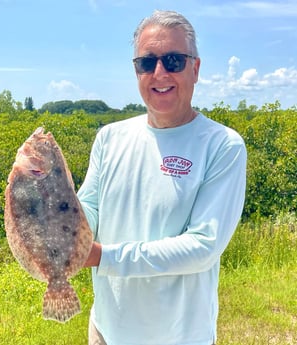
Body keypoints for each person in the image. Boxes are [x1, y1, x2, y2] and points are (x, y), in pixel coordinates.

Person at [78, 9, 247, 345]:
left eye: (173, 60)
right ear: (136, 70)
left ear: (195, 69)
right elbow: (89, 207)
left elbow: (202, 247)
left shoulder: (222, 145)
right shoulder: (109, 137)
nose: (159, 72)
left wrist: (101, 257)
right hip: (106, 331)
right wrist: (49, 216)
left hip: (180, 337)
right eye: (147, 62)